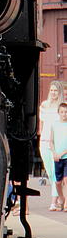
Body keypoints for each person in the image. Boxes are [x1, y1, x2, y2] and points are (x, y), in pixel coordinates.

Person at [39, 81, 64, 210]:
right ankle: (60, 196)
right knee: (49, 172)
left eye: (56, 91)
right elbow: (41, 125)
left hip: (56, 143)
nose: (53, 93)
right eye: (52, 90)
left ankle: (53, 202)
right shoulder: (44, 105)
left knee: (55, 172)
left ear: (59, 92)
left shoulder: (62, 107)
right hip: (44, 141)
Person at [49, 102, 67, 211]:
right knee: (58, 182)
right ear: (58, 113)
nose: (64, 114)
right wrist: (54, 152)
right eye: (62, 112)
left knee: (66, 179)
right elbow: (51, 141)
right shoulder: (54, 125)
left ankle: (66, 204)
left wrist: (62, 153)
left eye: (66, 112)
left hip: (65, 156)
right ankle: (61, 197)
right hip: (57, 157)